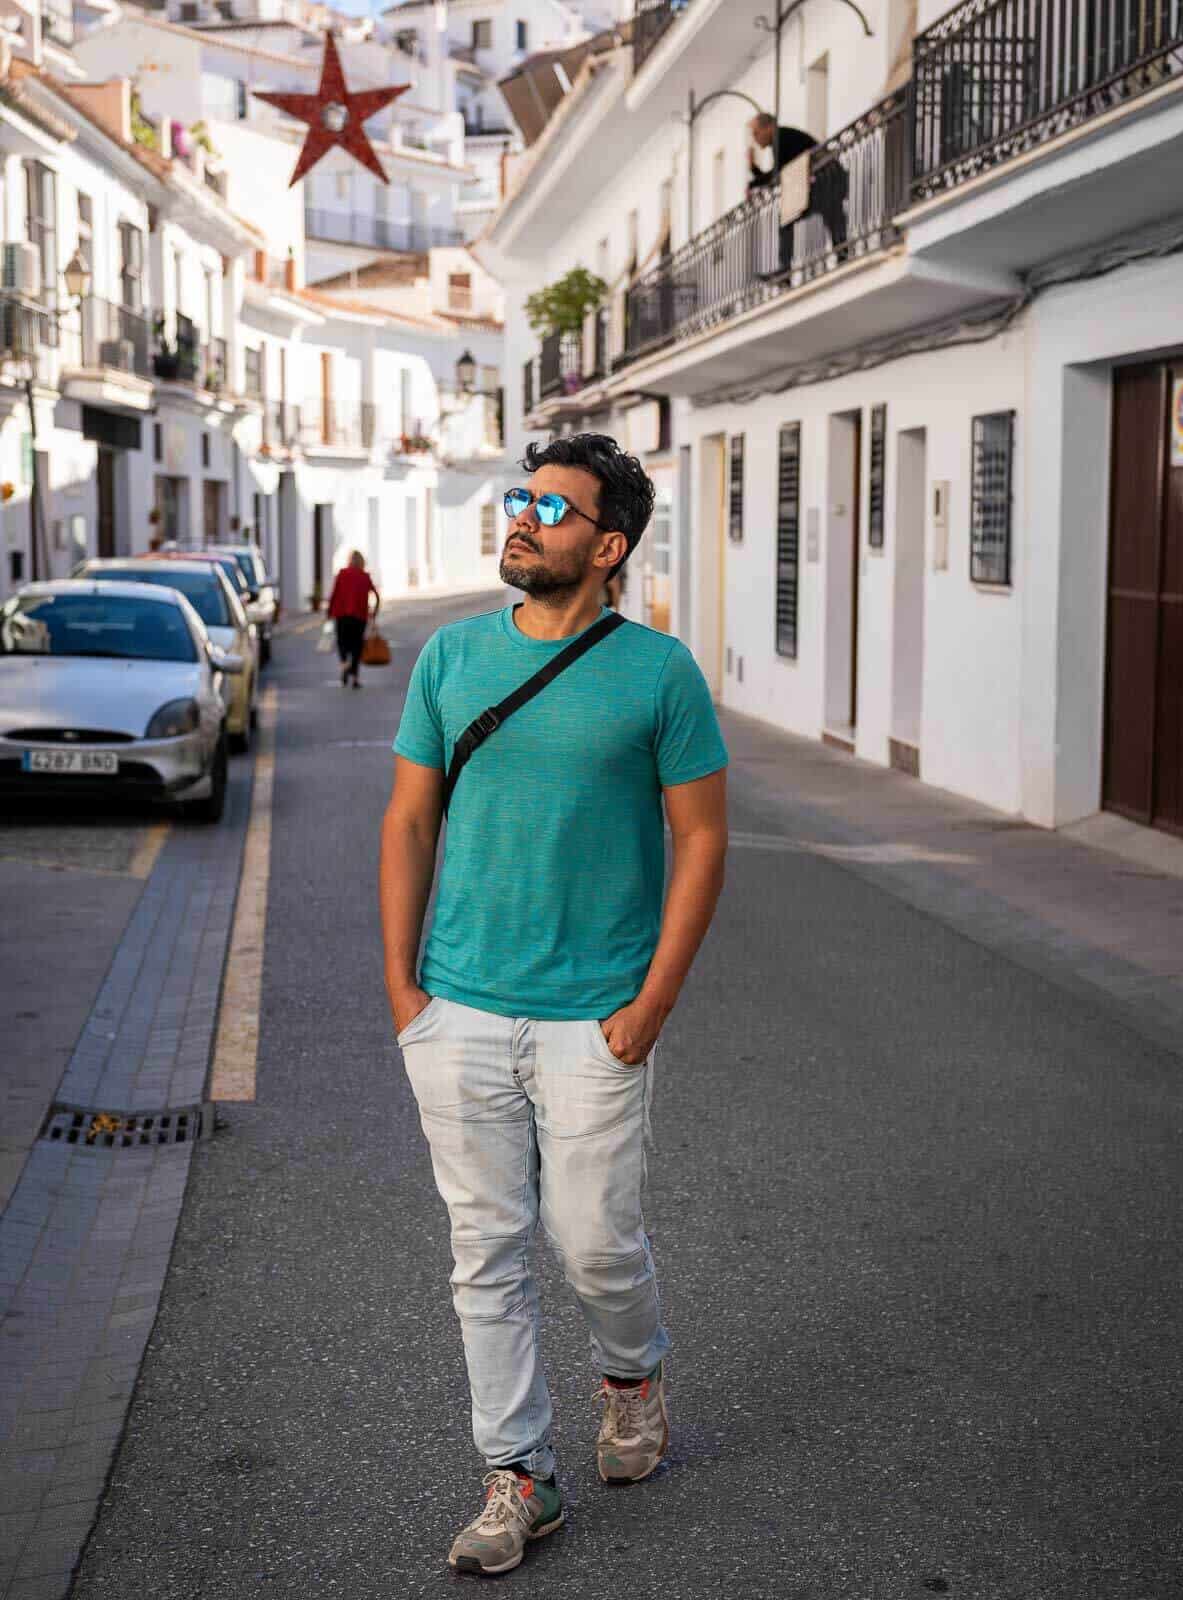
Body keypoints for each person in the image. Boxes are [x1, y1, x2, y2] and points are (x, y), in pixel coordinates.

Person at [380, 433, 728, 1577]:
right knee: (484, 1251)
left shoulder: (660, 674)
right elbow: (410, 821)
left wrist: (654, 1003)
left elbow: (702, 839)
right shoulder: (450, 658)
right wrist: (404, 990)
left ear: (609, 545)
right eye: (521, 499)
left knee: (593, 1244)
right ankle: (518, 1474)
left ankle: (630, 1378)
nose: (521, 518)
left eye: (553, 508)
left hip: (597, 1014)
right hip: (462, 1008)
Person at [748, 110, 848, 277]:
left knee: (791, 219)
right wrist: (754, 175)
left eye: (756, 132)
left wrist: (753, 176)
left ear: (769, 128)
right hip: (827, 179)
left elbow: (776, 176)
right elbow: (778, 175)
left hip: (826, 179)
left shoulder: (780, 138)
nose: (755, 138)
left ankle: (786, 269)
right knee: (828, 215)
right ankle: (841, 253)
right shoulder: (782, 137)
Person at [326, 549, 379, 688]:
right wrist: (374, 613)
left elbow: (334, 593)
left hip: (341, 615)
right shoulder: (365, 576)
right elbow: (376, 595)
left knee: (342, 641)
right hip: (359, 616)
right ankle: (355, 678)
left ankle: (344, 663)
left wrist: (329, 611)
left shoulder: (342, 574)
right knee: (357, 645)